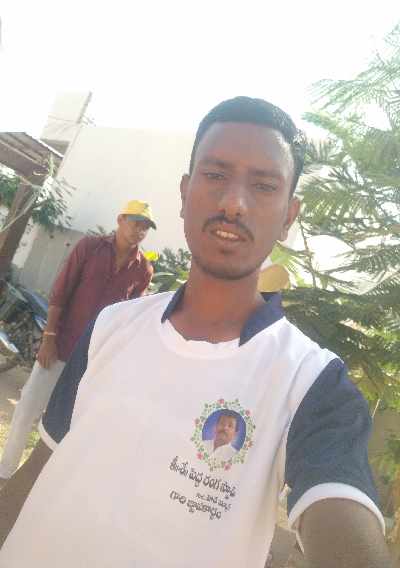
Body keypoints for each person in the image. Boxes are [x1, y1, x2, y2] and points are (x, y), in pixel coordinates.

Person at [0, 97, 393, 567]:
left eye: (264, 185)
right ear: (185, 193)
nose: (233, 203)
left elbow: (342, 521)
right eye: (215, 175)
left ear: (289, 216)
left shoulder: (312, 383)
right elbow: (42, 466)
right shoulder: (112, 326)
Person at [0, 199, 156, 486]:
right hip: (59, 348)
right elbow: (61, 292)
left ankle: (34, 483)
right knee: (26, 410)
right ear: (120, 219)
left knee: (61, 427)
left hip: (92, 363)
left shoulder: (143, 270)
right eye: (136, 223)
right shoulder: (89, 248)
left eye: (146, 227)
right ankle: (5, 472)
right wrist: (49, 338)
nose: (140, 231)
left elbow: (127, 321)